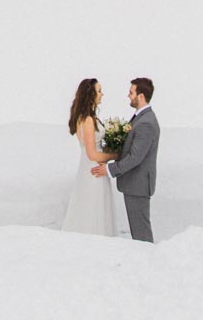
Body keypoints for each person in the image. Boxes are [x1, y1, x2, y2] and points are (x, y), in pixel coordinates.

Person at [91, 78, 158, 242]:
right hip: (134, 184)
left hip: (138, 185)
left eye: (131, 92)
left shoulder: (146, 122)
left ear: (141, 96)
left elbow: (135, 157)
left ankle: (148, 264)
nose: (128, 96)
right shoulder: (140, 118)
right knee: (138, 233)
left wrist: (109, 169)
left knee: (141, 235)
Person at [60, 78, 119, 237]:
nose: (102, 94)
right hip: (94, 170)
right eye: (99, 91)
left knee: (92, 208)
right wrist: (116, 155)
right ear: (90, 94)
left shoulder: (88, 118)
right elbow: (92, 153)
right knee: (94, 209)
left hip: (91, 168)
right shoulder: (87, 120)